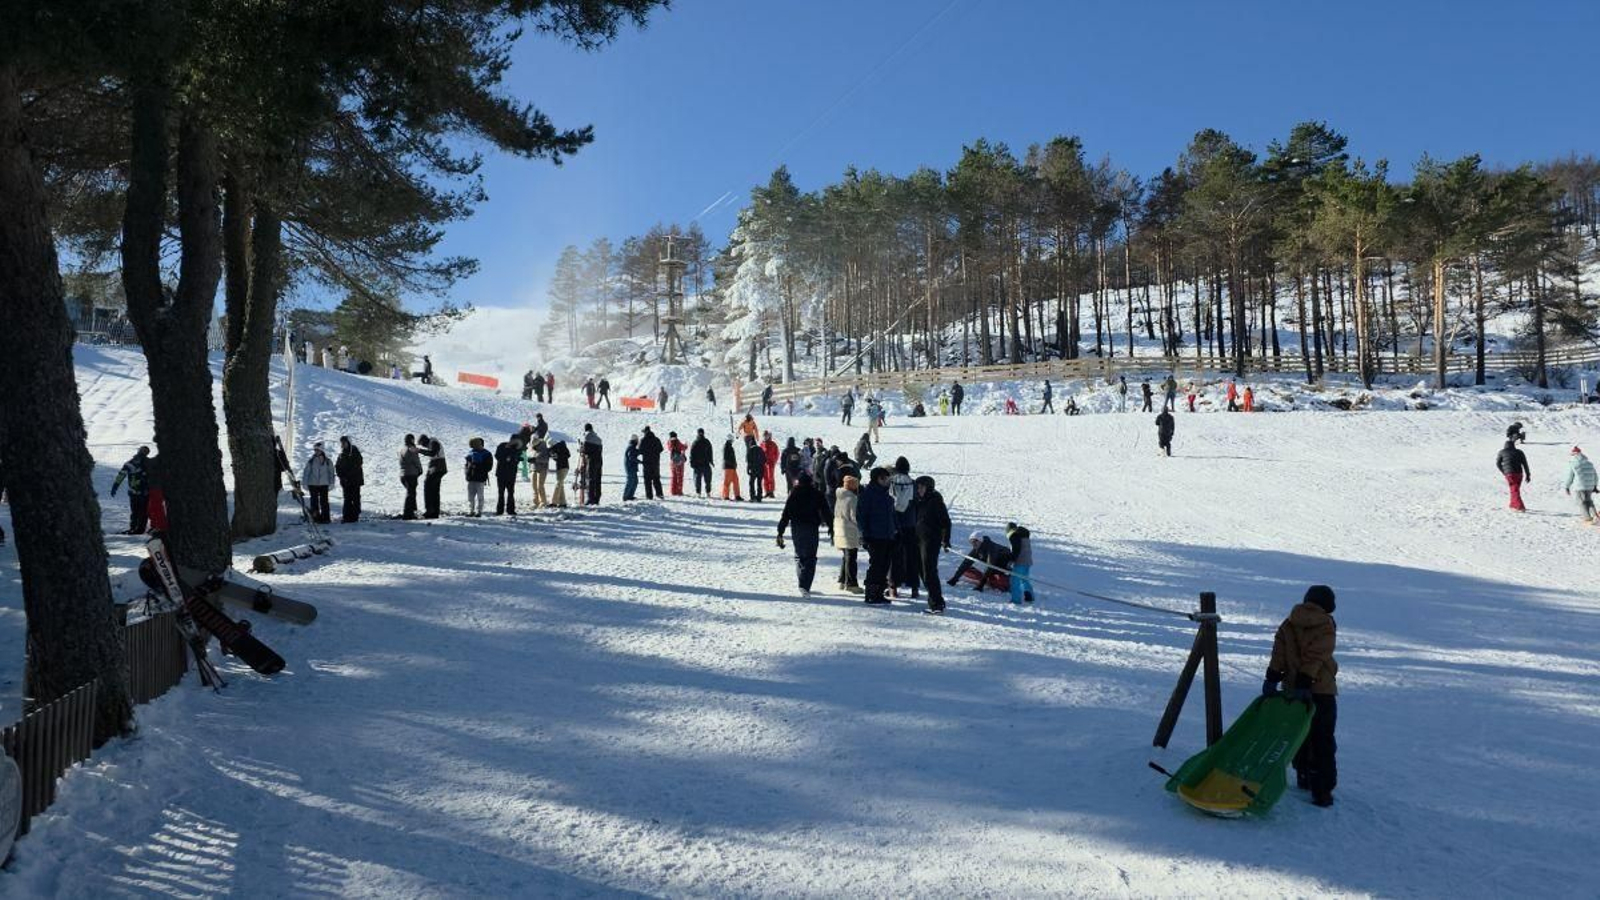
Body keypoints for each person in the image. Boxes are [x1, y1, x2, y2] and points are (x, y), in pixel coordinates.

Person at [1263, 585, 1340, 808]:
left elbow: (1278, 652)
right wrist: (1306, 680)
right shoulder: (1326, 624)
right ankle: (1322, 790)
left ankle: (1304, 777)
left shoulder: (1289, 622)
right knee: (1323, 739)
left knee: (1300, 736)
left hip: (1292, 689)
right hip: (1321, 690)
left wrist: (1272, 677)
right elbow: (1318, 654)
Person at [776, 472, 833, 596]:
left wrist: (780, 531)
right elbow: (826, 512)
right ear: (811, 482)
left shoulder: (794, 494)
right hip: (811, 528)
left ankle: (802, 582)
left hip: (797, 528)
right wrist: (832, 527)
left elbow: (786, 513)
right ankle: (804, 585)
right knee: (811, 557)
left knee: (800, 555)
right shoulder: (817, 493)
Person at [857, 467, 898, 605]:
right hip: (874, 536)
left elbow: (892, 516)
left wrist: (896, 530)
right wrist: (864, 534)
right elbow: (861, 516)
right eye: (885, 478)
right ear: (878, 479)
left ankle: (880, 592)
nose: (888, 481)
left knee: (885, 565)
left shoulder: (887, 496)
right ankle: (871, 593)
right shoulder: (868, 494)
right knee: (876, 565)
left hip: (888, 536)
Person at [911, 475, 951, 614]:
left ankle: (937, 604)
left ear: (929, 487)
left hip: (931, 541)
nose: (919, 489)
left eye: (922, 486)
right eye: (918, 487)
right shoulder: (918, 500)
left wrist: (946, 540)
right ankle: (935, 599)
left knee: (929, 572)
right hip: (918, 540)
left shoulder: (936, 501)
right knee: (922, 571)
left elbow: (946, 523)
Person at [888, 457, 919, 600]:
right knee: (912, 556)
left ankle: (893, 587)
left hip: (894, 523)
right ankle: (914, 588)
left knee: (894, 557)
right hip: (910, 523)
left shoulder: (891, 481)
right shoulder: (913, 483)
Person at [948, 533, 1013, 593]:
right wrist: (955, 578)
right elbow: (966, 563)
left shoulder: (991, 548)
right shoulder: (976, 548)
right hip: (993, 569)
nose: (973, 544)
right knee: (966, 570)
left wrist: (980, 585)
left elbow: (990, 566)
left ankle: (1002, 582)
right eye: (971, 542)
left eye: (975, 541)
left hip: (1004, 567)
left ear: (980, 541)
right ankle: (990, 580)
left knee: (1000, 580)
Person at [109, 445, 152, 534]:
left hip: (141, 491)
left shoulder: (142, 463)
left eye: (144, 451)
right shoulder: (134, 463)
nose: (142, 453)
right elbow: (122, 474)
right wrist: (115, 486)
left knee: (139, 511)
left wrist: (115, 486)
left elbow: (121, 474)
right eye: (142, 451)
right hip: (139, 491)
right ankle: (135, 528)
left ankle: (137, 529)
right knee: (138, 511)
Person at [833, 474, 863, 593]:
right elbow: (854, 516)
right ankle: (851, 583)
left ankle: (842, 580)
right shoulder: (852, 498)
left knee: (846, 556)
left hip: (839, 527)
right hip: (849, 530)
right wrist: (861, 528)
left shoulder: (840, 495)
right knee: (851, 557)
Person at [301, 442, 335, 524]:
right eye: (315, 450)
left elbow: (331, 472)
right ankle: (315, 517)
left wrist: (332, 483)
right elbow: (306, 472)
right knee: (314, 502)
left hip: (324, 484)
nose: (316, 452)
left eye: (317, 450)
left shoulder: (328, 461)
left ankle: (326, 518)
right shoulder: (311, 461)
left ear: (322, 450)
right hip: (313, 484)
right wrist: (304, 483)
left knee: (324, 502)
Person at [1496, 435, 1531, 512]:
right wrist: (1528, 475)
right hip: (1519, 473)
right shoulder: (1519, 452)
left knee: (1514, 490)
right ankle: (1513, 504)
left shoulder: (1502, 452)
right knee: (1515, 489)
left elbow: (1498, 464)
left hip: (1510, 474)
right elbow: (1525, 464)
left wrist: (1504, 472)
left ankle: (1519, 507)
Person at [1563, 446, 1597, 523]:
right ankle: (1595, 515)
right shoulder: (1589, 463)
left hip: (1580, 486)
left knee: (1582, 502)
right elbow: (1595, 475)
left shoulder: (1573, 464)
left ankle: (1587, 518)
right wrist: (1595, 485)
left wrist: (1566, 487)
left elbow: (1570, 477)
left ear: (1574, 455)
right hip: (1590, 486)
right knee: (1589, 501)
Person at [494, 433, 524, 515]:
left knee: (511, 492)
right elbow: (497, 456)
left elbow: (518, 458)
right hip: (501, 473)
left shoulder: (517, 448)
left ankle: (510, 510)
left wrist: (515, 458)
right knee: (501, 492)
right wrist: (506, 457)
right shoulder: (502, 446)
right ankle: (500, 510)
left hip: (511, 473)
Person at [1005, 522, 1034, 605]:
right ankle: (1029, 596)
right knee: (1024, 579)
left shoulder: (1013, 535)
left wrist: (1011, 561)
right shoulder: (1023, 535)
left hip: (1020, 561)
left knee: (1015, 581)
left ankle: (1016, 600)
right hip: (1027, 561)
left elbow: (1016, 550)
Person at [336, 436, 364, 522]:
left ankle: (355, 516)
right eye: (342, 443)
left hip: (355, 480)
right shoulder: (341, 454)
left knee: (355, 498)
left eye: (344, 443)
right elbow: (337, 467)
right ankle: (346, 516)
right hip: (345, 481)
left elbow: (358, 463)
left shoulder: (355, 452)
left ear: (348, 443)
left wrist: (348, 474)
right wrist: (341, 476)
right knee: (347, 498)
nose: (343, 445)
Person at [464, 437, 493, 517]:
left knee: (479, 496)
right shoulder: (471, 453)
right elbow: (467, 465)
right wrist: (467, 473)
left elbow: (489, 467)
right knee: (471, 496)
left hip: (480, 478)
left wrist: (477, 467)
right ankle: (471, 510)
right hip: (471, 478)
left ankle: (479, 511)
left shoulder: (486, 454)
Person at [420, 435, 447, 518]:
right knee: (435, 490)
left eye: (423, 444)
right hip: (439, 467)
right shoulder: (433, 442)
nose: (424, 446)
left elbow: (432, 453)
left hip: (437, 466)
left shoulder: (433, 442)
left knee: (428, 488)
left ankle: (430, 511)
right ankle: (435, 511)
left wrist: (419, 451)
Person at [399, 434, 422, 519]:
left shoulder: (402, 449)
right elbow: (416, 460)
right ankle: (408, 514)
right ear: (411, 440)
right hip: (411, 474)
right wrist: (420, 470)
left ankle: (412, 511)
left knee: (411, 493)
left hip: (403, 474)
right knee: (411, 493)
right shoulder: (411, 449)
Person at [639, 426, 665, 500]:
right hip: (655, 462)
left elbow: (640, 451)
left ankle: (649, 496)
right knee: (656, 479)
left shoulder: (643, 440)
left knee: (647, 480)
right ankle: (660, 494)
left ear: (645, 432)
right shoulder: (656, 439)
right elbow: (661, 449)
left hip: (647, 463)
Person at [581, 425, 603, 505]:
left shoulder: (587, 436)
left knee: (590, 479)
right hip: (599, 461)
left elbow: (585, 450)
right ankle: (597, 498)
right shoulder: (598, 438)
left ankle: (591, 499)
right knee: (597, 480)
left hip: (591, 461)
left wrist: (582, 449)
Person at [690, 428, 715, 497]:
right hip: (700, 464)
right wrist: (692, 462)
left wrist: (711, 461)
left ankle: (705, 492)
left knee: (705, 480)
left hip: (702, 464)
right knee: (701, 480)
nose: (700, 434)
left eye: (701, 433)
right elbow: (692, 453)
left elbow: (710, 452)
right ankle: (701, 492)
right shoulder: (699, 442)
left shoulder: (699, 442)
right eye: (700, 433)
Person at [548, 435, 571, 508]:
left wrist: (551, 454)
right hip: (565, 467)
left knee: (558, 484)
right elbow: (568, 455)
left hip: (561, 467)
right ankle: (562, 502)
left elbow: (556, 458)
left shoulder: (556, 449)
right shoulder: (562, 447)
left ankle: (554, 502)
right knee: (561, 485)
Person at [528, 437, 551, 508]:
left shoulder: (544, 449)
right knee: (534, 487)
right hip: (533, 468)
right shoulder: (534, 448)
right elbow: (531, 455)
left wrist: (535, 459)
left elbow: (545, 459)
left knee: (540, 486)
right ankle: (536, 501)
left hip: (542, 469)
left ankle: (543, 502)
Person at [744, 435, 766, 502]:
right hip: (761, 469)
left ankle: (752, 496)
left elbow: (748, 461)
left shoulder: (750, 450)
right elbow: (765, 459)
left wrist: (748, 469)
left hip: (753, 470)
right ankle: (759, 497)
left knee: (751, 483)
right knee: (759, 483)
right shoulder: (761, 449)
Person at [721, 436, 743, 501]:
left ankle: (737, 495)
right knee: (727, 481)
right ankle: (726, 496)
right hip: (728, 466)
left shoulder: (730, 447)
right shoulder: (726, 447)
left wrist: (734, 464)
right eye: (731, 440)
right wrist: (732, 463)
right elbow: (726, 458)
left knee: (736, 480)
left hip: (732, 467)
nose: (732, 441)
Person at [667, 431, 688, 496]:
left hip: (673, 461)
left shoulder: (669, 442)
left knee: (674, 476)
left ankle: (673, 491)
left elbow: (670, 449)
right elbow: (683, 447)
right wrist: (685, 445)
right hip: (679, 461)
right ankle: (679, 491)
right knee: (680, 477)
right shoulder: (677, 441)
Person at [760, 431, 780, 496]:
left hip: (771, 463)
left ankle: (771, 491)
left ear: (769, 436)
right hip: (764, 463)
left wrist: (774, 460)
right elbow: (760, 453)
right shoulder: (762, 444)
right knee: (765, 477)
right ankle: (767, 491)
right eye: (764, 436)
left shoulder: (773, 444)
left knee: (770, 477)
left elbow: (777, 453)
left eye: (766, 436)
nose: (765, 437)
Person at [622, 435, 641, 501]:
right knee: (630, 481)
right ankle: (625, 496)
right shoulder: (631, 447)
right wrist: (640, 462)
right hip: (630, 467)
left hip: (632, 467)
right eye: (637, 441)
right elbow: (631, 457)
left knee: (635, 481)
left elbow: (636, 452)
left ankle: (630, 495)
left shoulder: (632, 447)